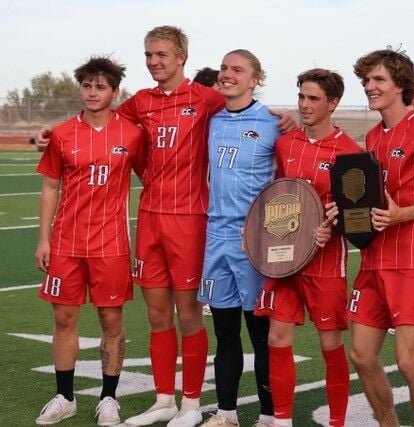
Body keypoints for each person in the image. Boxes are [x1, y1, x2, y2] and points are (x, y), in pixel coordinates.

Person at [35, 27, 295, 427]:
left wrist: (286, 117)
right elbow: (93, 120)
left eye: (161, 54)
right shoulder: (140, 102)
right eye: (149, 55)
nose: (154, 61)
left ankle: (191, 404)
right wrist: (52, 132)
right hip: (150, 219)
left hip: (191, 220)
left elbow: (249, 111)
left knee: (189, 315)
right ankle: (164, 400)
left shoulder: (207, 99)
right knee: (158, 316)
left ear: (181, 57)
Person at [34, 56, 145, 426]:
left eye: (101, 86)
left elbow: (152, 175)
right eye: (87, 86)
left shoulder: (132, 133)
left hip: (111, 244)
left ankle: (109, 398)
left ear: (114, 92)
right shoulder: (63, 133)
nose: (92, 93)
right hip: (66, 241)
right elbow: (50, 186)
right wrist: (43, 239)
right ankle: (64, 396)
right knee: (64, 317)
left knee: (110, 319)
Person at [254, 68, 362, 427]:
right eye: (301, 96)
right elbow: (277, 198)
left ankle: (337, 422)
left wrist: (333, 228)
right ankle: (281, 420)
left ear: (333, 102)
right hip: (285, 261)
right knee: (277, 337)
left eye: (313, 98)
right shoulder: (285, 144)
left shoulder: (349, 151)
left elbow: (357, 217)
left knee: (330, 343)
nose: (304, 104)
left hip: (326, 263)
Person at [347, 48, 414, 427]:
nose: (370, 87)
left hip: (412, 260)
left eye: (378, 80)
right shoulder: (373, 135)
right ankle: (388, 423)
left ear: (401, 85)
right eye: (367, 81)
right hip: (374, 258)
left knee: (407, 360)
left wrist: (402, 214)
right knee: (361, 355)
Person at [197, 49, 280, 427]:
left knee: (260, 334)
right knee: (224, 332)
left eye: (238, 70)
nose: (228, 74)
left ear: (255, 79)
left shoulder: (274, 123)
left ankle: (268, 415)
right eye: (225, 68)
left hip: (254, 242)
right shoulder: (210, 121)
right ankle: (226, 412)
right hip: (216, 236)